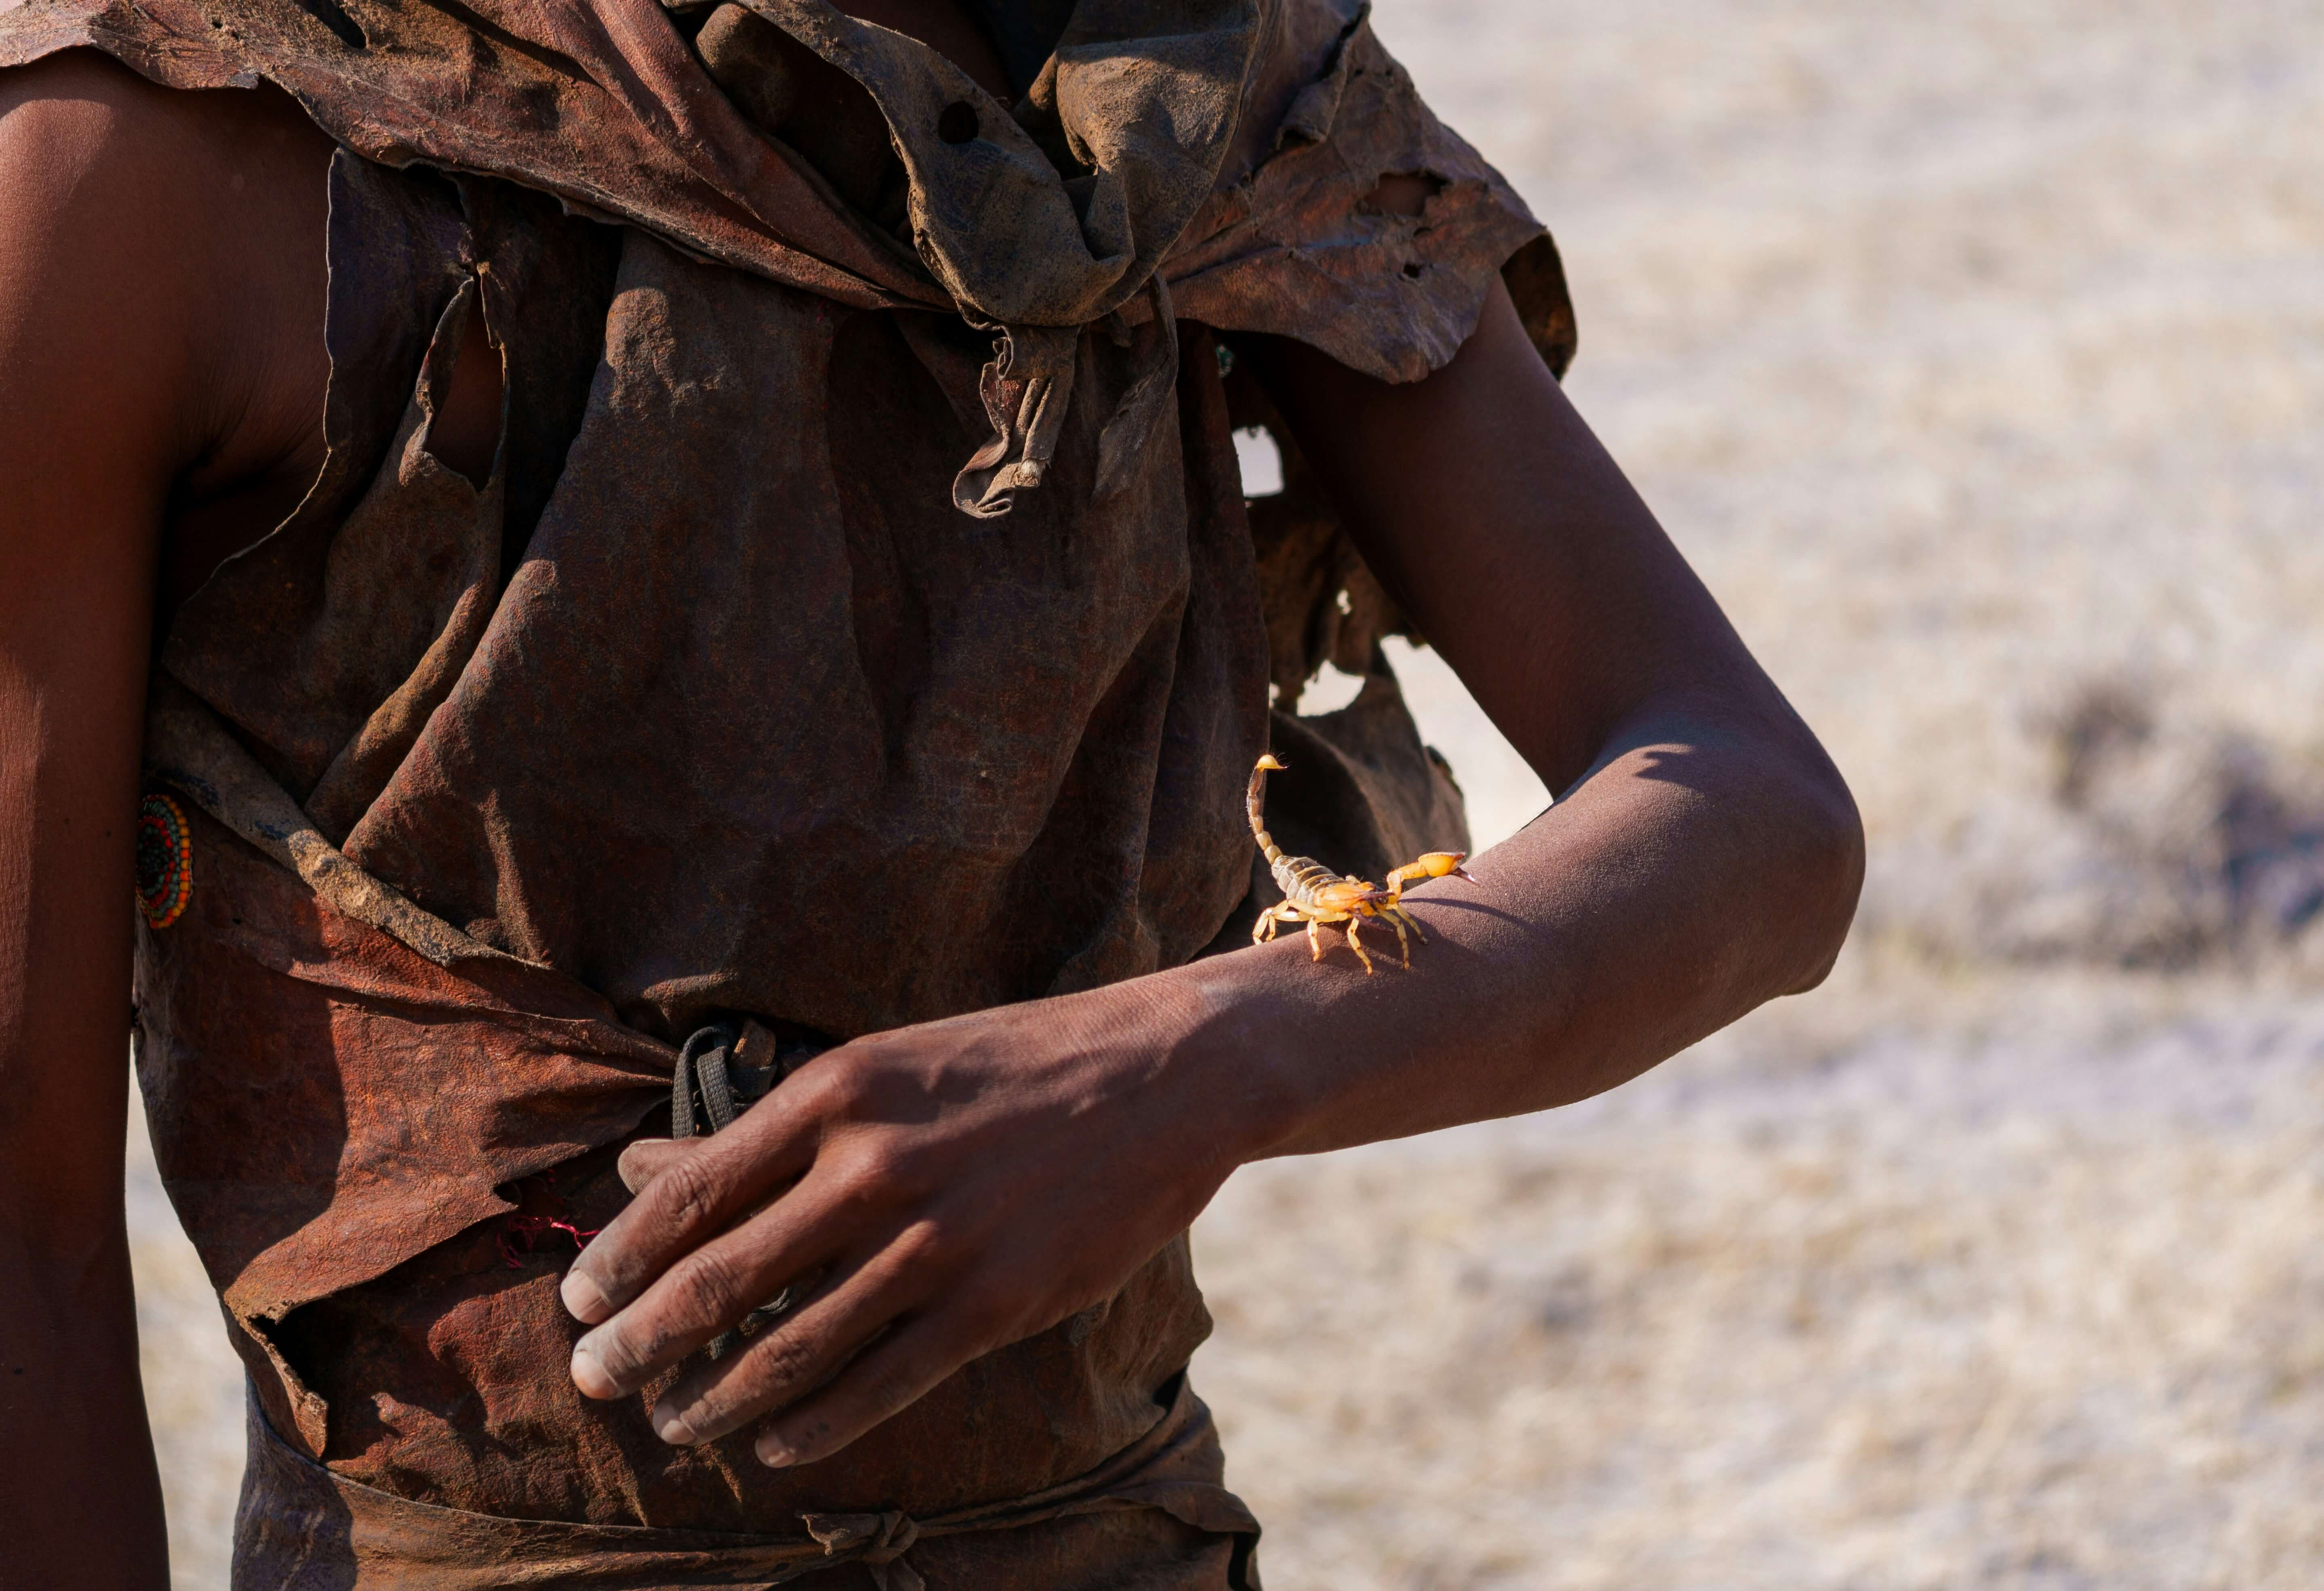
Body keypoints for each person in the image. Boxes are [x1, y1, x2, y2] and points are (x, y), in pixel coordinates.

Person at [0, 0, 1863, 1584]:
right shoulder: (170, 135)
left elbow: (1754, 820)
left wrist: (1204, 1055)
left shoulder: (1184, 107)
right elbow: (27, 1248)